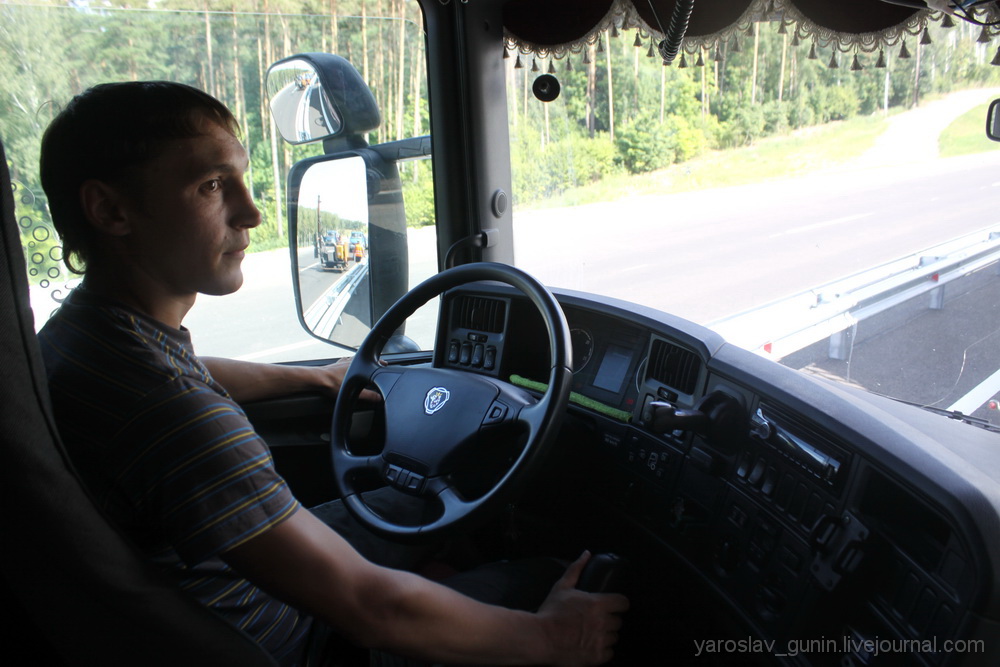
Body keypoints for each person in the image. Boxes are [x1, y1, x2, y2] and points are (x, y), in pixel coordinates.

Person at [36, 80, 627, 667]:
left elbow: (191, 370)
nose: (252, 211)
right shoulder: (170, 413)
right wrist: (554, 639)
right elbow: (371, 609)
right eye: (211, 185)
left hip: (223, 601)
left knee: (413, 502)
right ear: (111, 210)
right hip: (301, 645)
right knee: (556, 581)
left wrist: (316, 379)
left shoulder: (86, 338)